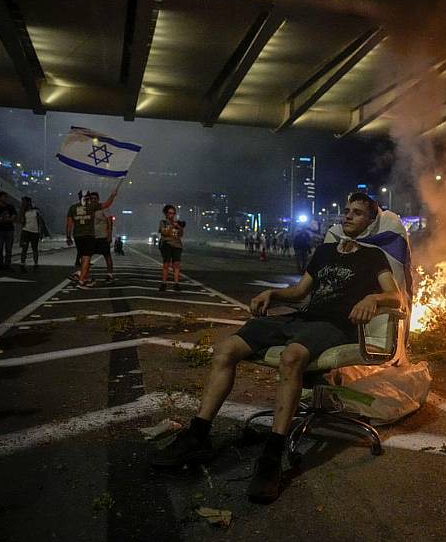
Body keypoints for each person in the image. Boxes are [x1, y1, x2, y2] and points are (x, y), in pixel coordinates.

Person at [151, 193, 402, 504]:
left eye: (358, 213)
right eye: (347, 211)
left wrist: (373, 299)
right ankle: (198, 434)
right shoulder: (324, 252)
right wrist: (273, 294)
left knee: (291, 356)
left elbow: (396, 297)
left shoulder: (373, 257)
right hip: (303, 318)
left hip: (335, 326)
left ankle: (272, 454)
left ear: (370, 222)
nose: (348, 216)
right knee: (226, 348)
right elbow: (299, 292)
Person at [66, 187, 118, 288]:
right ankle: (82, 280)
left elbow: (69, 223)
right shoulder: (91, 207)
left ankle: (84, 276)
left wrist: (68, 236)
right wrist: (112, 195)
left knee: (84, 256)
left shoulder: (72, 208)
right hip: (89, 236)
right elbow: (107, 204)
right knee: (86, 257)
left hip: (78, 235)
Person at [158, 204, 184, 292]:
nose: (171, 215)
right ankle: (164, 283)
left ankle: (176, 284)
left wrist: (179, 227)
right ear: (166, 214)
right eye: (170, 213)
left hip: (177, 245)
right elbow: (164, 232)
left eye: (173, 213)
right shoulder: (163, 222)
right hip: (167, 244)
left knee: (176, 264)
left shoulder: (177, 223)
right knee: (166, 264)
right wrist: (172, 226)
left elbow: (180, 234)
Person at [91, 192, 115, 284]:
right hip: (92, 236)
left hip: (102, 236)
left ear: (98, 199)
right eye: (91, 198)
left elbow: (110, 221)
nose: (93, 200)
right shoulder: (89, 209)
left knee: (107, 255)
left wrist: (109, 235)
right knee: (86, 256)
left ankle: (110, 274)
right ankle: (84, 274)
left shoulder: (103, 208)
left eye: (95, 198)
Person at [0, 192, 17, 271]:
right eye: (4, 197)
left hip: (9, 230)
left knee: (9, 249)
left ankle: (7, 265)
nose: (6, 198)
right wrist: (3, 219)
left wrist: (5, 219)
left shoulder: (10, 207)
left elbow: (14, 216)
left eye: (6, 197)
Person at [18, 196, 42, 272]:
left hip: (35, 232)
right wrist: (21, 211)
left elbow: (40, 222)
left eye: (24, 202)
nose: (22, 203)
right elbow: (21, 221)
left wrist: (40, 232)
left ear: (28, 202)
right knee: (24, 249)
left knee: (35, 249)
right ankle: (22, 264)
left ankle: (36, 264)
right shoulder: (23, 211)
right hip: (25, 231)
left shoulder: (36, 211)